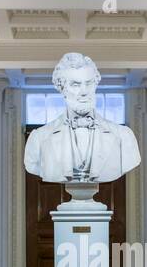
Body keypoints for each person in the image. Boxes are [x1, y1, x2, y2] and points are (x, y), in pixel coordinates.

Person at [23, 52, 141, 183]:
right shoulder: (40, 138)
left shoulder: (123, 137)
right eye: (75, 84)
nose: (84, 91)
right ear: (62, 88)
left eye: (89, 83)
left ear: (96, 84)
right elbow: (33, 166)